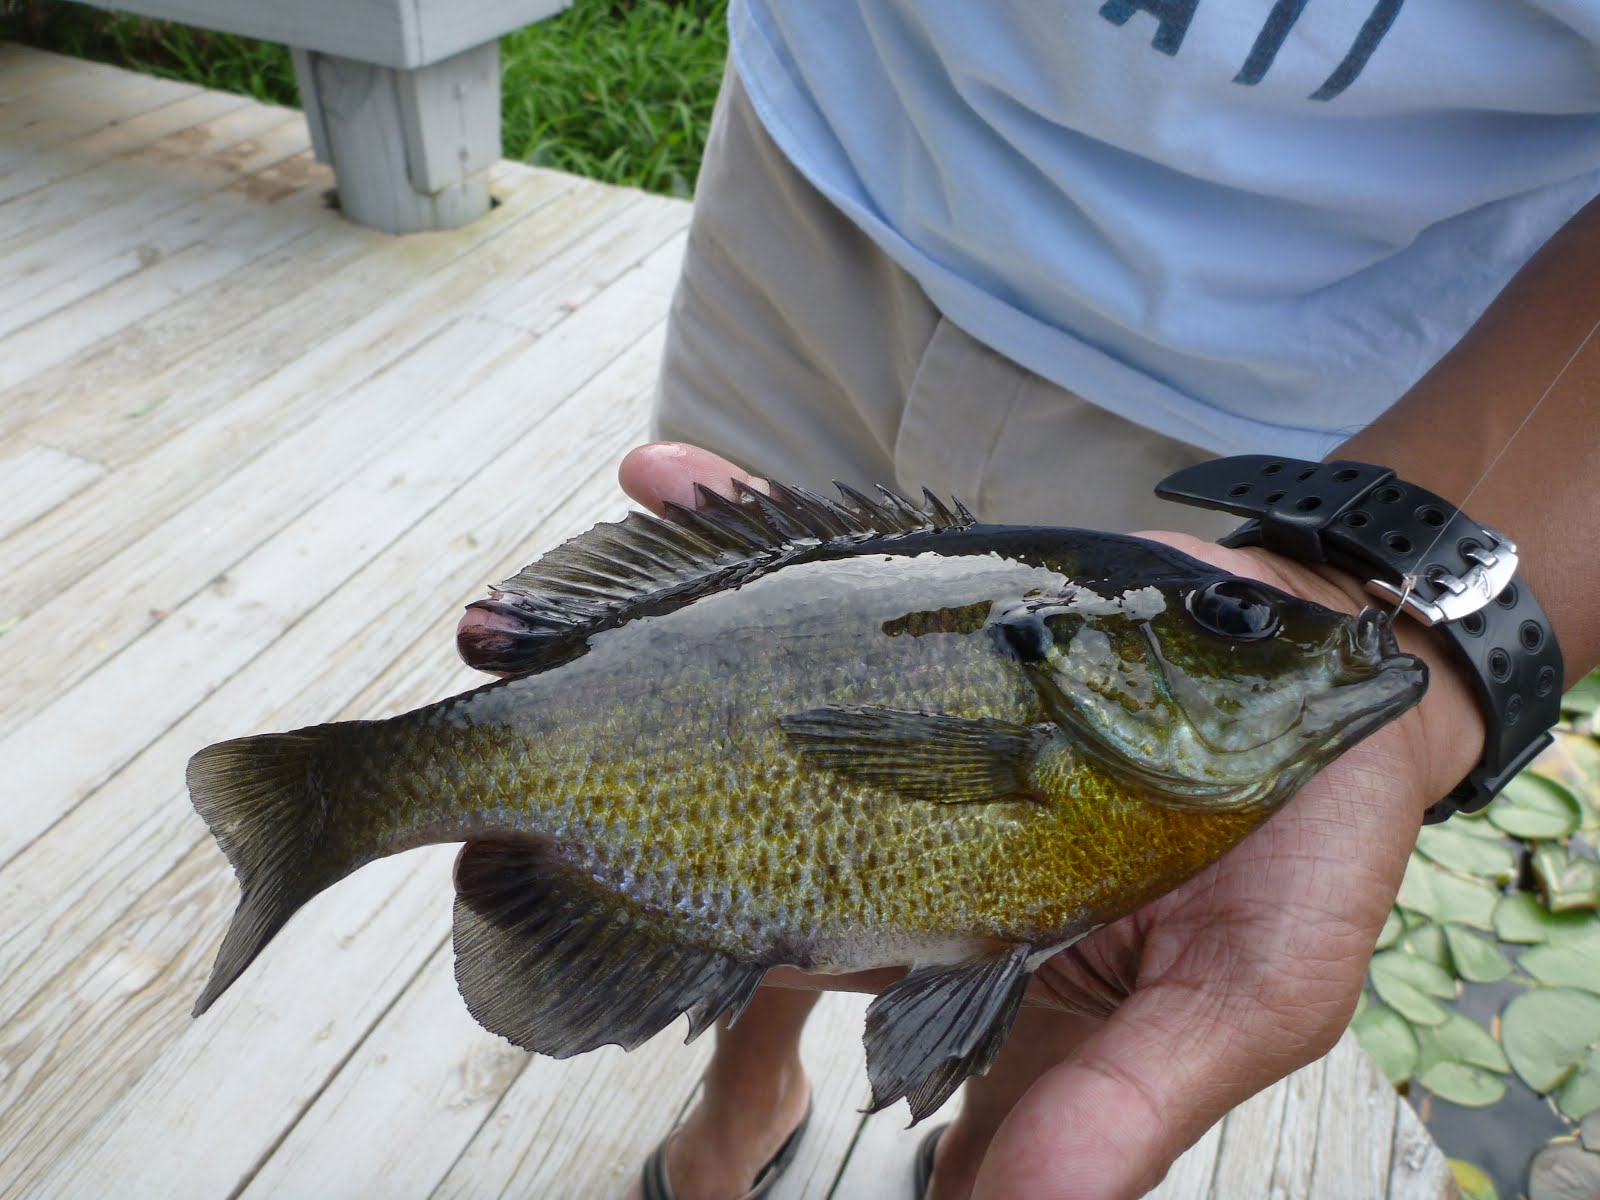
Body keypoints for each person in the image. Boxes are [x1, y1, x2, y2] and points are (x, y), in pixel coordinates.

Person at [461, 5, 1600, 1197]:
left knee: (1083, 946)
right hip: (839, 137)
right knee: (756, 786)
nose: (1274, 642)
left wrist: (1427, 630)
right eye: (1237, 626)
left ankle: (976, 1160)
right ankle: (744, 1093)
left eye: (1233, 627)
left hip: (1300, 374)